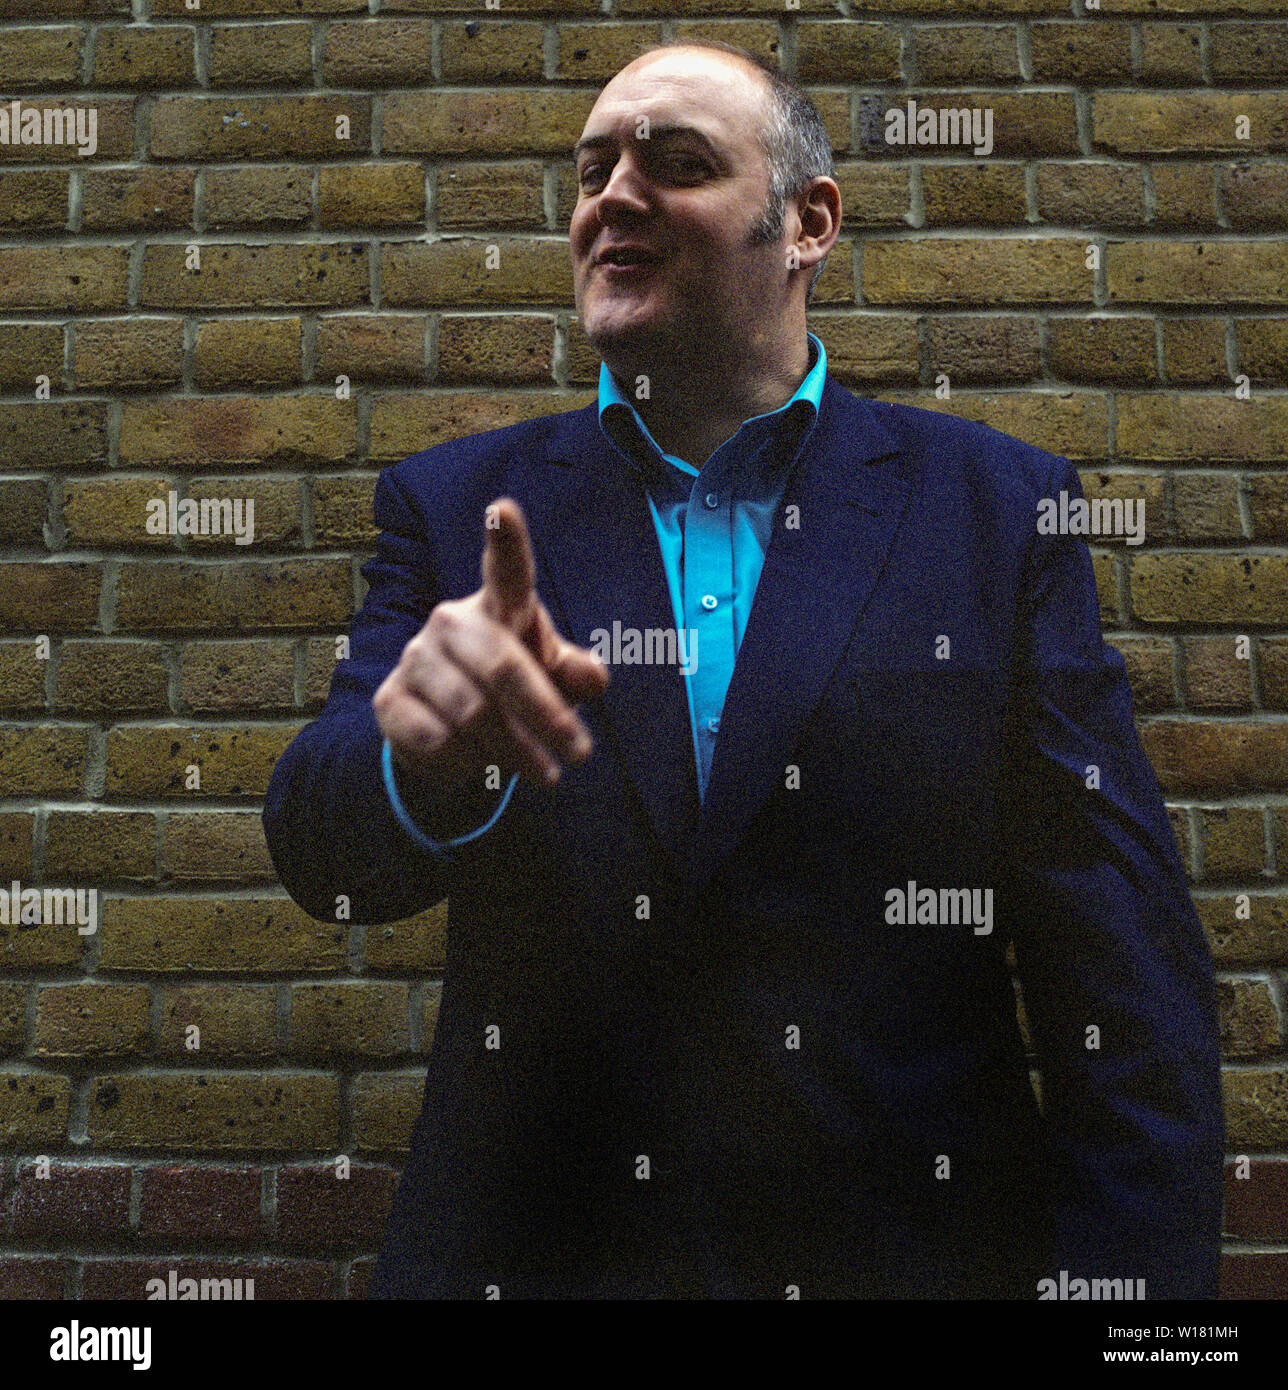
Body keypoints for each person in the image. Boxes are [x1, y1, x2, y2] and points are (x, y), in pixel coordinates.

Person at [263, 39, 1224, 1299]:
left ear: (807, 221)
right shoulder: (461, 511)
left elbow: (1122, 967)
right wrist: (422, 762)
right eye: (591, 167)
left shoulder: (994, 512)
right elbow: (319, 851)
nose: (612, 195)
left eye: (674, 164)